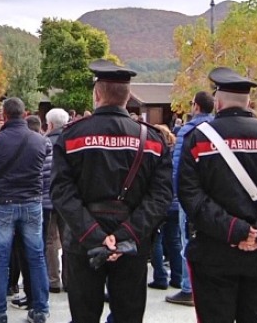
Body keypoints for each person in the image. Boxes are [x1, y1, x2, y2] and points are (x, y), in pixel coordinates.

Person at [179, 67, 257, 323]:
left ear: (218, 101)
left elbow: (190, 195)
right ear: (249, 101)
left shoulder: (198, 139)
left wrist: (233, 229)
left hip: (214, 250)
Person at [51, 60, 172, 323]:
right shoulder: (151, 139)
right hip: (132, 242)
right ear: (127, 96)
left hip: (83, 240)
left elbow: (61, 192)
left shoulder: (72, 136)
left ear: (97, 94)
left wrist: (94, 235)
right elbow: (160, 197)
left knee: (84, 316)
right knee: (129, 316)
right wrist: (126, 235)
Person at [0, 98, 50, 323]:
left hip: (4, 202)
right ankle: (40, 309)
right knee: (36, 256)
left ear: (5, 115)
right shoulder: (40, 141)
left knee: (1, 257)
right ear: (24, 113)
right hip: (32, 201)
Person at [165, 90, 214, 307]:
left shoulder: (188, 130)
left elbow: (178, 166)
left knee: (188, 241)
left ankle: (189, 288)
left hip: (191, 195)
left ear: (196, 107)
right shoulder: (218, 128)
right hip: (215, 195)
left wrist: (176, 194)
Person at [148, 124, 182, 291]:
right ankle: (177, 276)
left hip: (161, 203)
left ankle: (160, 276)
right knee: (174, 241)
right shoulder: (177, 152)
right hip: (176, 203)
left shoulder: (155, 154)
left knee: (156, 241)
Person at [42, 108, 70, 295]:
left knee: (51, 240)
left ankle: (53, 279)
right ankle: (70, 279)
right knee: (68, 239)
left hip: (47, 198)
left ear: (49, 124)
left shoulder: (44, 143)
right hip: (68, 199)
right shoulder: (72, 142)